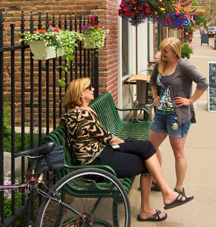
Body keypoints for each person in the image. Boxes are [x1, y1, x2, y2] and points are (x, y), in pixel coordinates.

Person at [61, 77, 193, 222]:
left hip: (101, 154)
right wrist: (126, 145)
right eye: (89, 87)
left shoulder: (77, 113)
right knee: (147, 158)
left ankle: (164, 195)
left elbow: (98, 133)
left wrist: (85, 107)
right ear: (81, 93)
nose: (93, 89)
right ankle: (152, 206)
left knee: (147, 149)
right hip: (96, 163)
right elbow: (108, 138)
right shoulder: (82, 115)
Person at [148, 37, 208, 198]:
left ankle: (179, 188)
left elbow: (203, 82)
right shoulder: (160, 64)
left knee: (178, 152)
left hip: (177, 116)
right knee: (150, 147)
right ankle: (156, 181)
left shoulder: (183, 65)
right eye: (161, 50)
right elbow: (153, 81)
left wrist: (190, 100)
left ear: (175, 52)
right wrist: (155, 95)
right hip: (160, 114)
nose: (162, 53)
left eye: (165, 51)